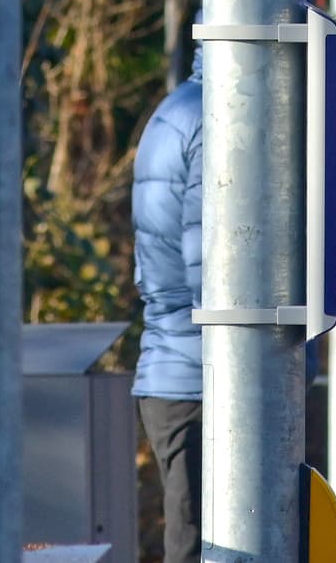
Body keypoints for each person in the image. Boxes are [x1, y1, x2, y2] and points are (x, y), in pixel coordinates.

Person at [131, 41, 206, 563]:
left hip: (173, 364)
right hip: (201, 370)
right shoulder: (215, 120)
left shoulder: (177, 110)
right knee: (202, 542)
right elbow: (211, 261)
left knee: (192, 535)